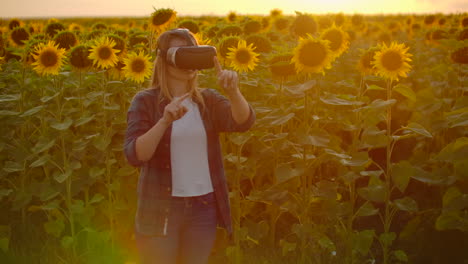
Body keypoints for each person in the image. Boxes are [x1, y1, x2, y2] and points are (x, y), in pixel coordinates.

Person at [123, 28, 255, 264]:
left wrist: (233, 92)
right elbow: (135, 154)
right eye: (183, 54)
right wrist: (164, 121)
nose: (190, 62)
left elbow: (242, 122)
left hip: (202, 208)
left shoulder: (207, 100)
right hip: (161, 208)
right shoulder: (145, 101)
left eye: (194, 53)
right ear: (166, 59)